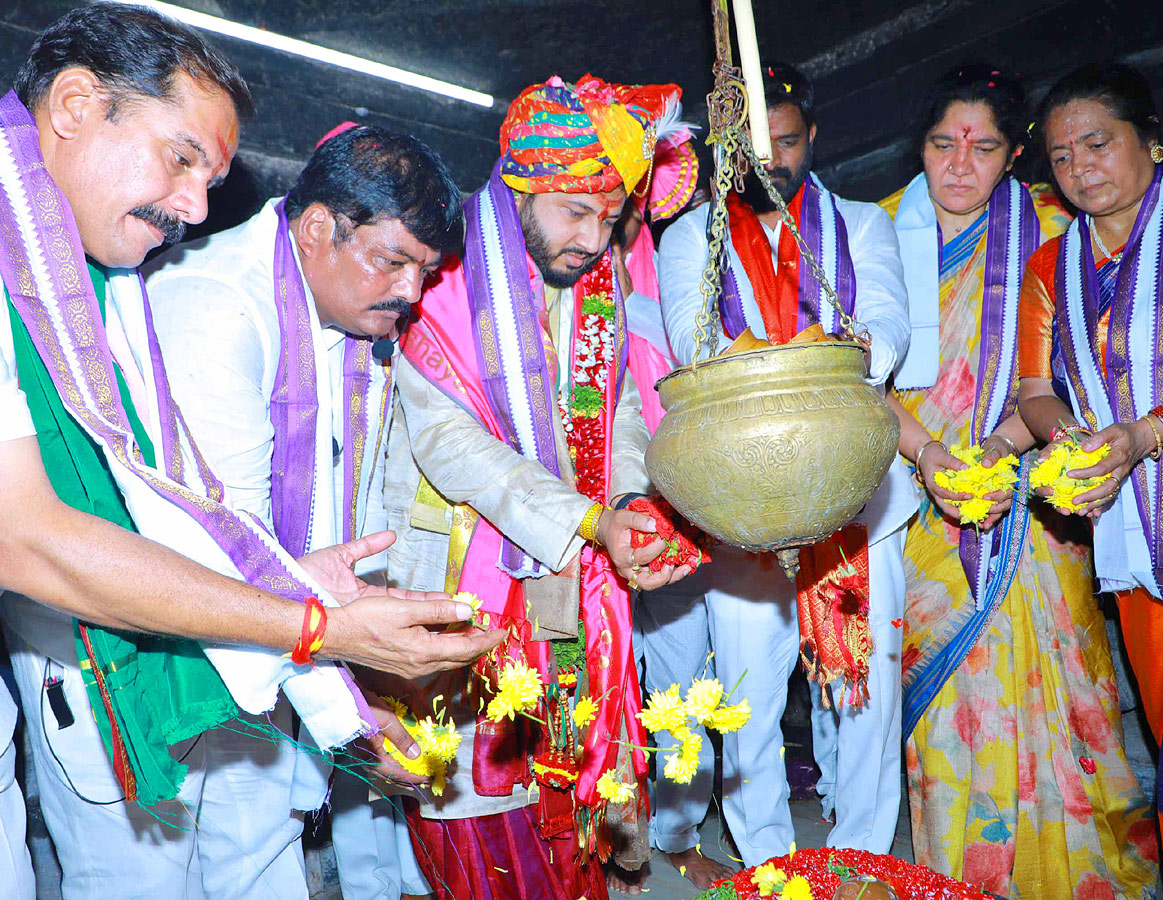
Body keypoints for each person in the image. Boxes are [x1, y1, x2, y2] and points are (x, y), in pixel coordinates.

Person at [0, 6, 497, 898]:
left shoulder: (92, 281)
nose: (193, 206)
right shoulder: (203, 300)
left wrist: (306, 594)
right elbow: (32, 535)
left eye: (210, 177)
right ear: (75, 105)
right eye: (181, 158)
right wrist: (317, 633)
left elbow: (170, 498)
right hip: (98, 636)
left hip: (175, 620)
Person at [384, 73, 697, 900]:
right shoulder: (441, 279)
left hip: (579, 570)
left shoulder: (596, 283)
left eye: (610, 216)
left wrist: (628, 499)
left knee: (574, 796)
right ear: (521, 187)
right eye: (575, 212)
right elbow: (453, 448)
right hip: (466, 580)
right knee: (482, 811)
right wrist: (591, 523)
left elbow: (623, 406)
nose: (596, 239)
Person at [146, 123, 467, 899]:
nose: (410, 293)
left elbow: (307, 532)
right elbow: (238, 550)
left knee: (257, 850)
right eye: (393, 261)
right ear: (319, 227)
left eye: (424, 271)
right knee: (147, 874)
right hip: (150, 644)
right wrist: (348, 719)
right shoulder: (218, 305)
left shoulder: (345, 321)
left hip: (266, 643)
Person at [880, 64, 1158, 897]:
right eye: (942, 144)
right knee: (945, 709)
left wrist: (996, 450)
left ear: (1013, 156)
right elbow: (854, 373)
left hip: (1032, 496)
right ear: (920, 147)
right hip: (910, 494)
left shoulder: (1051, 226)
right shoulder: (875, 233)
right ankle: (966, 878)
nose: (959, 165)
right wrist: (932, 456)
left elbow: (1077, 362)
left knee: (1062, 686)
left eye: (984, 146)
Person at [658, 62, 916, 863]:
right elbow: (692, 348)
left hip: (860, 496)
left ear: (814, 139)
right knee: (747, 697)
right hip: (738, 500)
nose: (771, 161)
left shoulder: (864, 224)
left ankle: (864, 855)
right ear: (723, 146)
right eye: (752, 144)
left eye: (789, 142)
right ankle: (770, 860)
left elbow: (887, 327)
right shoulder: (685, 237)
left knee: (868, 698)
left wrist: (845, 351)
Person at [1018, 60, 1163, 895]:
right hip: (1141, 534)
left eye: (1097, 142)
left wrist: (1145, 434)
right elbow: (1034, 392)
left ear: (1150, 141)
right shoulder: (1050, 268)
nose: (1080, 166)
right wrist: (1085, 441)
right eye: (1061, 156)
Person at [607, 130, 734, 894]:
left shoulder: (675, 264)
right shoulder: (552, 275)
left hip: (679, 512)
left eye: (628, 194)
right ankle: (609, 839)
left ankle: (679, 833)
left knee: (687, 687)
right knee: (599, 691)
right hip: (587, 521)